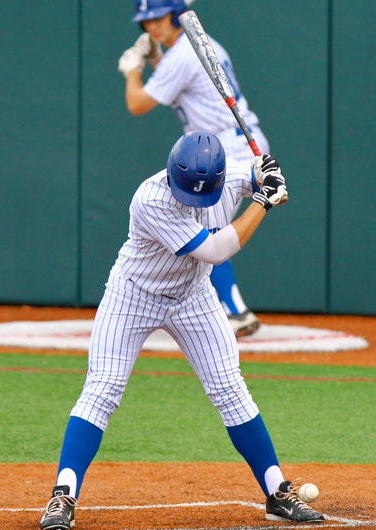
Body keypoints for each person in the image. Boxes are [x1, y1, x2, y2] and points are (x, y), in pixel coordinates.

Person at [37, 131, 324, 529]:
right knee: (102, 390)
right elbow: (216, 251)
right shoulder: (151, 199)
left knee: (230, 389)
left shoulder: (228, 177)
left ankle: (277, 492)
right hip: (133, 295)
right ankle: (62, 497)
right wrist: (263, 201)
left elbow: (252, 175)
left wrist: (265, 173)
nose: (192, 199)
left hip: (193, 296)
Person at [116, 0, 269, 337]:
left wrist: (132, 69)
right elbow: (178, 85)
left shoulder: (184, 54)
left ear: (173, 13)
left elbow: (137, 103)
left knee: (207, 236)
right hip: (230, 144)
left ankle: (235, 312)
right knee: (204, 235)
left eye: (158, 17)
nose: (152, 26)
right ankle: (230, 309)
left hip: (223, 151)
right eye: (147, 21)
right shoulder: (193, 47)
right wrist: (155, 59)